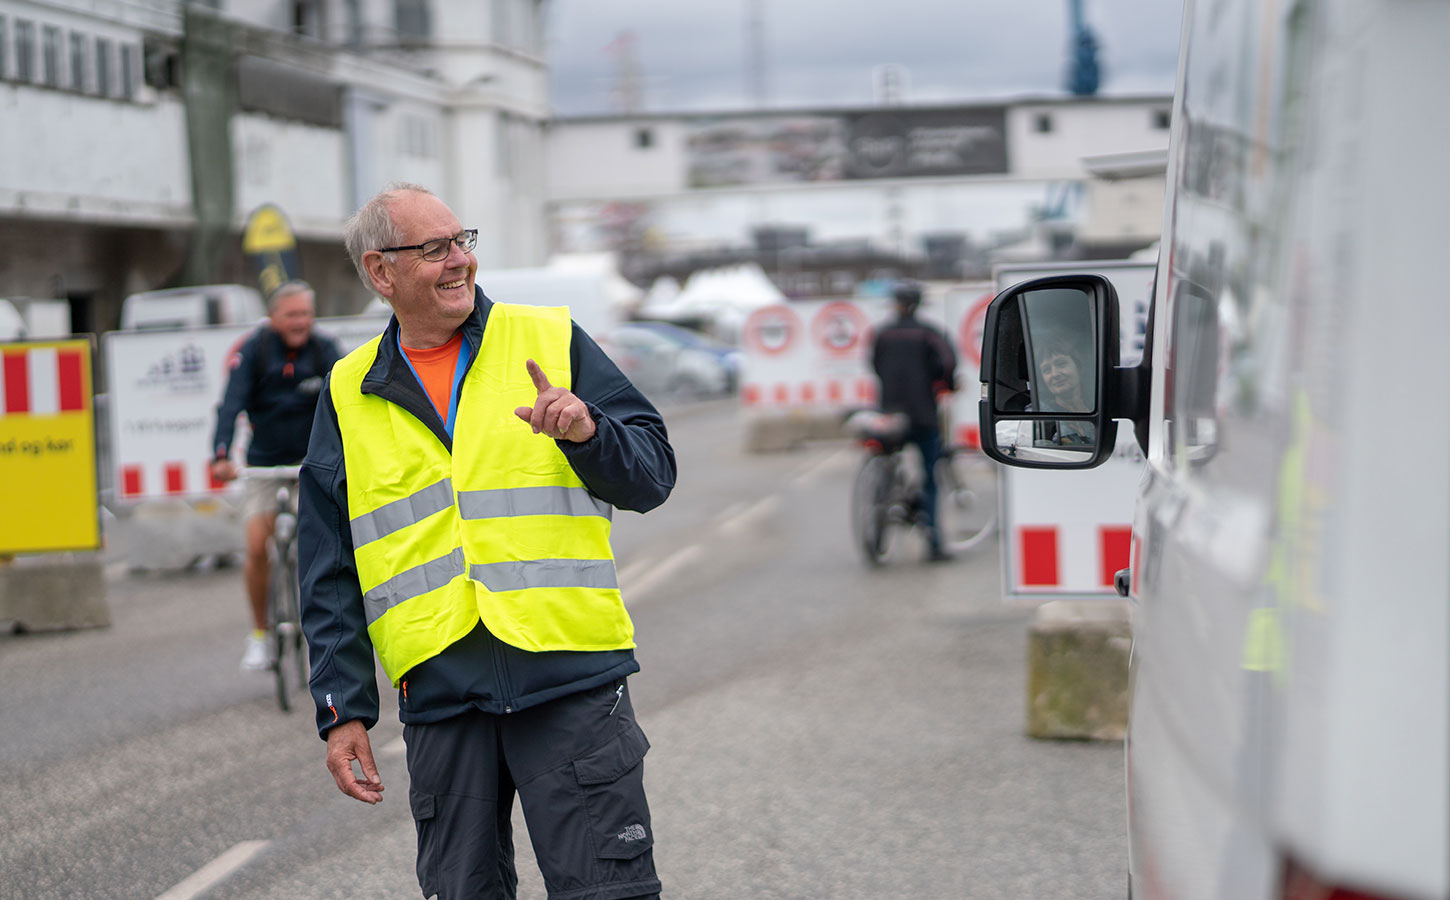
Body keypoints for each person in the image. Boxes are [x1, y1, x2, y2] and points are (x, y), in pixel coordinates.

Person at [299, 183, 675, 900]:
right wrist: (342, 710)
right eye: (434, 248)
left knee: (608, 892)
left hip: (569, 683)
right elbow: (328, 567)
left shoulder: (550, 339)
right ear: (381, 272)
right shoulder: (348, 391)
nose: (460, 262)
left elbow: (653, 477)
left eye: (462, 241)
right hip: (444, 699)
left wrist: (591, 434)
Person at [210, 279, 341, 671]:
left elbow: (349, 402)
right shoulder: (254, 351)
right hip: (265, 466)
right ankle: (260, 636)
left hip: (311, 466)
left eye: (306, 313)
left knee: (324, 551)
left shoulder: (325, 350)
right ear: (273, 318)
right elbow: (230, 405)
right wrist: (220, 455)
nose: (301, 321)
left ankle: (328, 635)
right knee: (255, 547)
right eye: (292, 315)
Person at [870, 280, 958, 561]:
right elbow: (947, 364)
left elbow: (873, 365)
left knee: (887, 458)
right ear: (918, 304)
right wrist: (947, 385)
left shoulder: (882, 334)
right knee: (930, 474)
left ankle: (885, 502)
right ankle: (933, 541)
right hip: (922, 413)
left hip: (890, 412)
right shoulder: (929, 333)